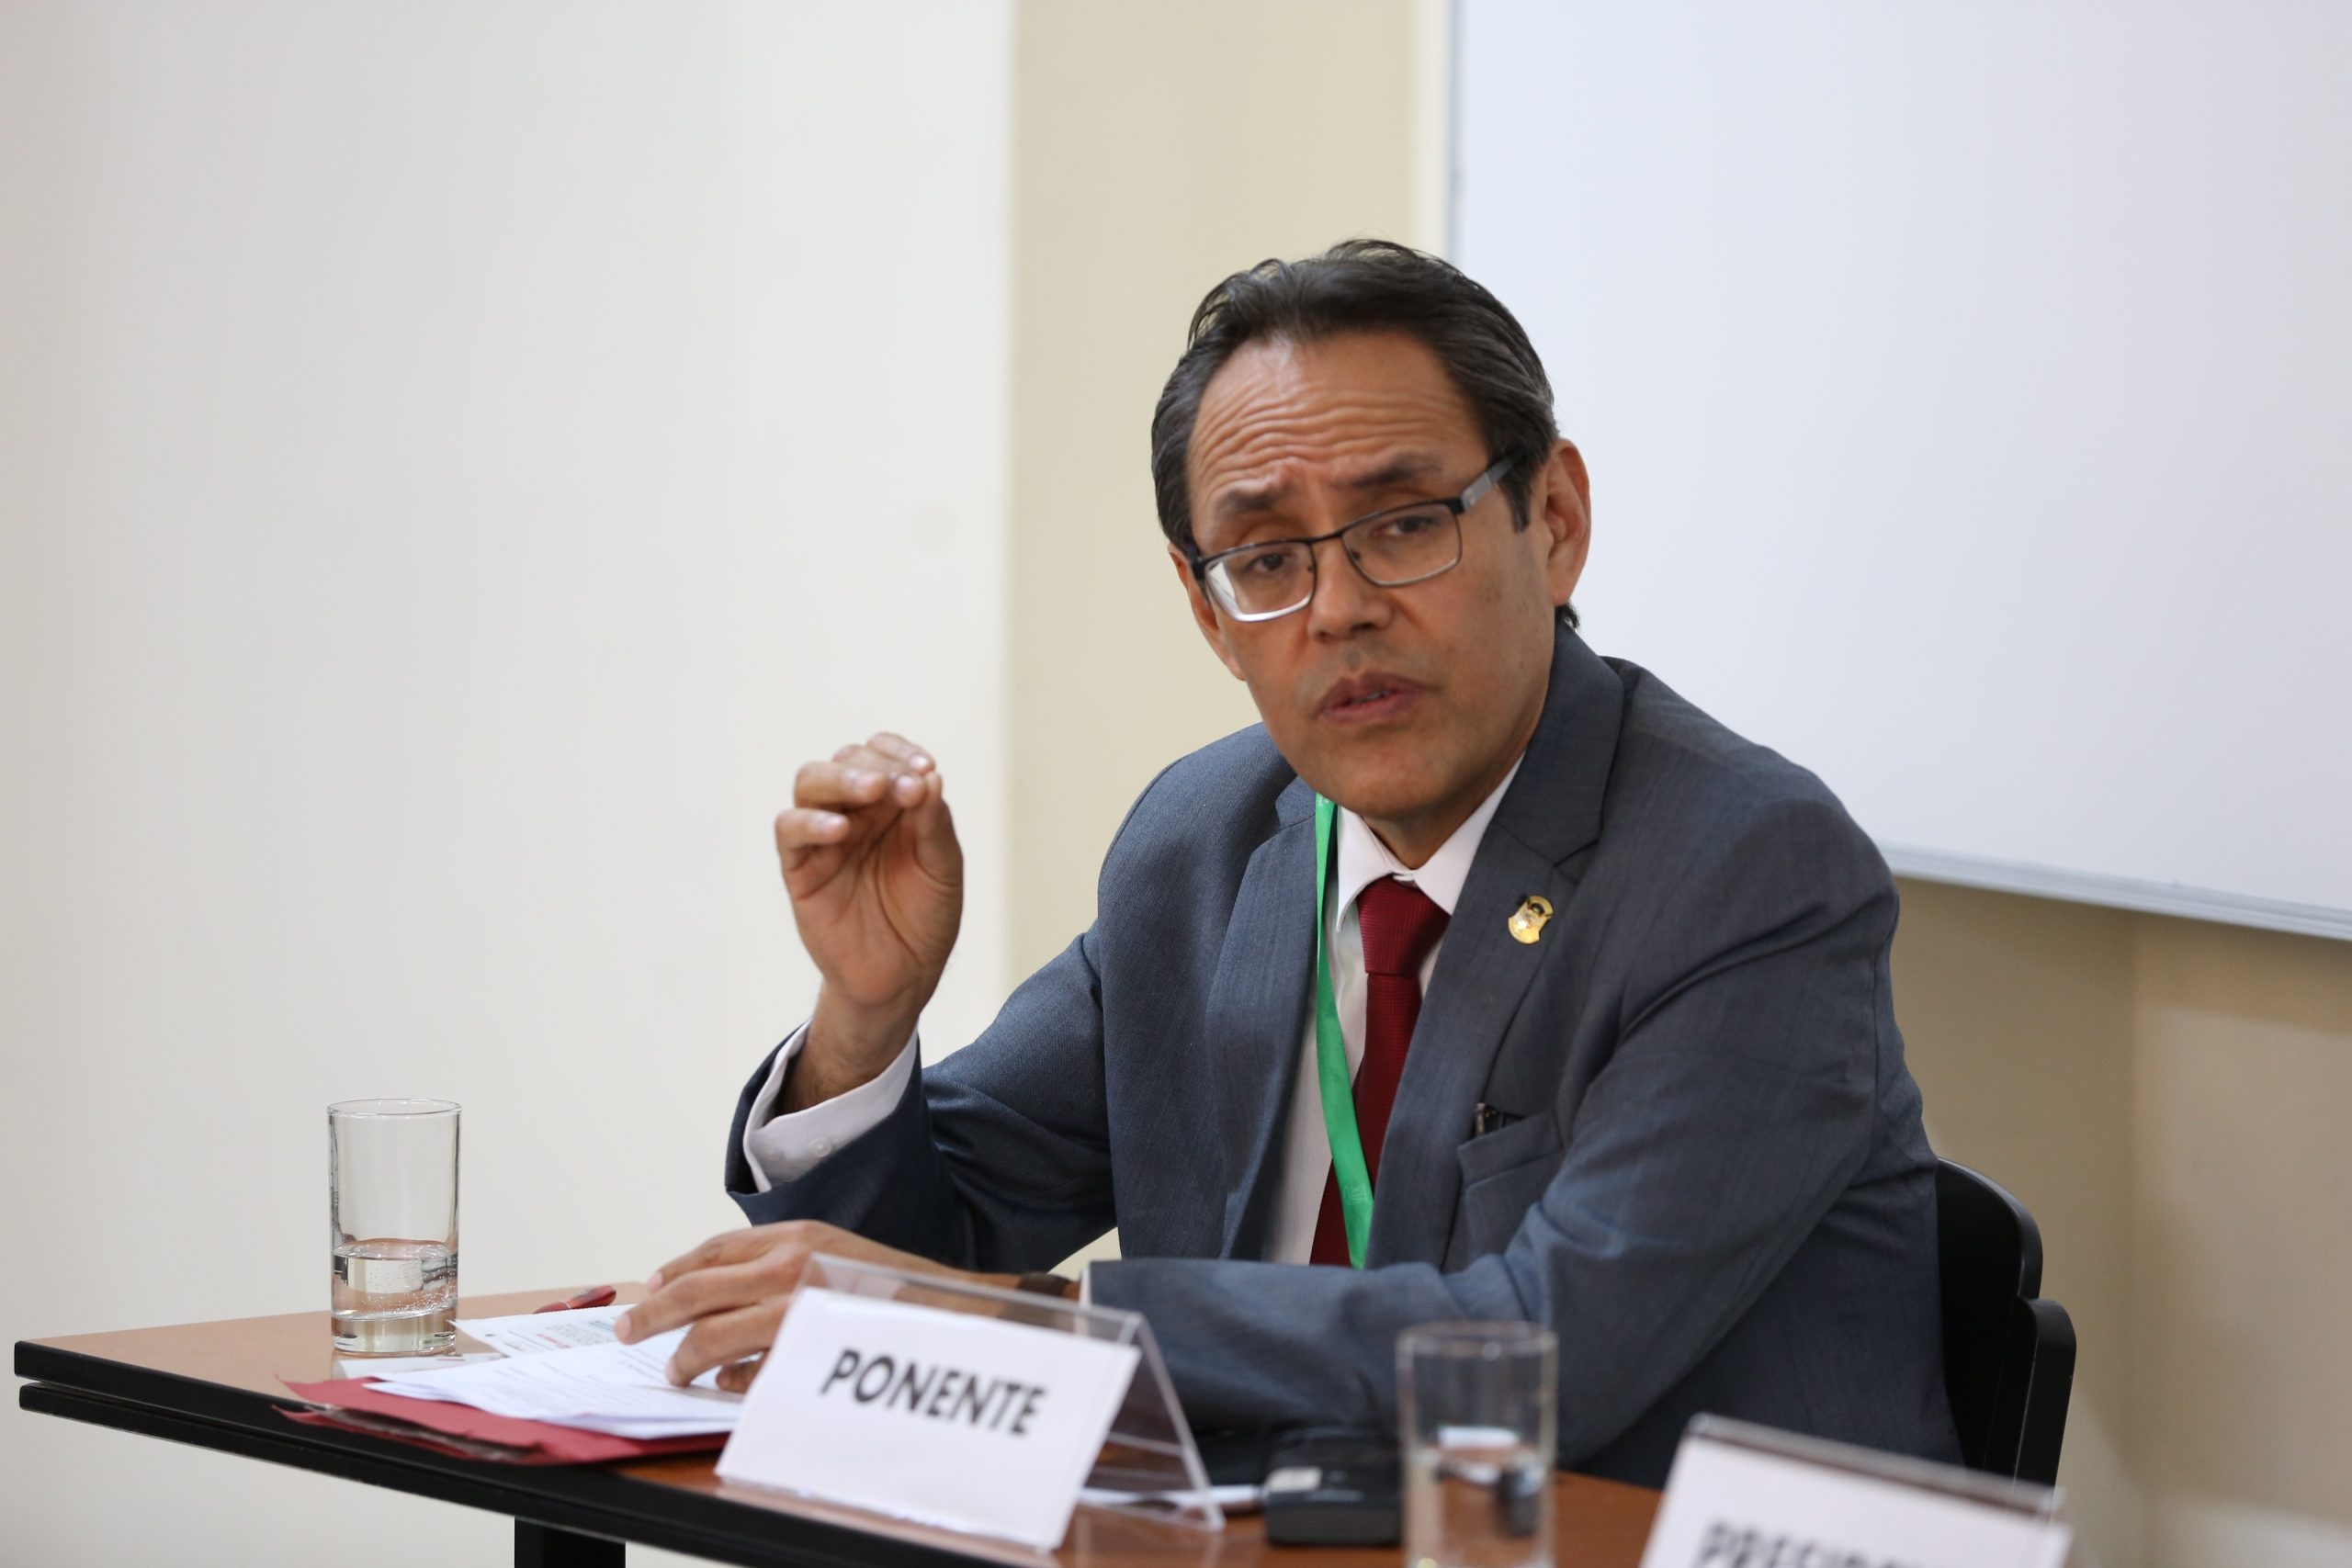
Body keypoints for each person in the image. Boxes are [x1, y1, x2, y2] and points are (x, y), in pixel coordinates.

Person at [616, 240, 1961, 1487]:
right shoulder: (1205, 838)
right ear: (1209, 614)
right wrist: (865, 1018)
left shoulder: (1746, 869)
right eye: (1266, 559)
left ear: (1552, 519)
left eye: (1405, 522)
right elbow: (920, 1261)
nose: (1342, 609)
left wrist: (1035, 1328)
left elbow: (1538, 1359)